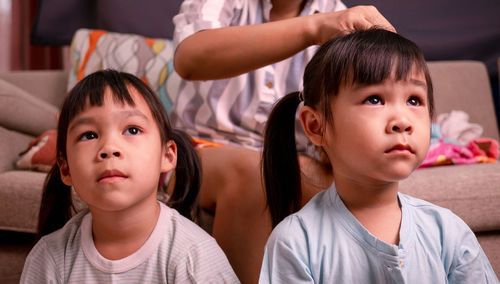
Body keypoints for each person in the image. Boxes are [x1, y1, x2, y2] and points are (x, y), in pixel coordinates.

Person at [170, 1, 395, 282]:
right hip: (201, 149)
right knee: (257, 173)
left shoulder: (338, 12)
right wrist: (313, 28)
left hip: (290, 154)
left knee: (337, 184)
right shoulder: (329, 19)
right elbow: (191, 58)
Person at [259, 28, 499, 283]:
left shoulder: (447, 232)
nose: (402, 121)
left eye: (415, 101)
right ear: (317, 127)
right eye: (374, 99)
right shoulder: (296, 242)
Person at [20, 70, 240, 283]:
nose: (109, 148)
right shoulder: (50, 257)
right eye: (89, 135)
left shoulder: (194, 256)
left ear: (167, 155)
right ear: (65, 168)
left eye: (132, 130)